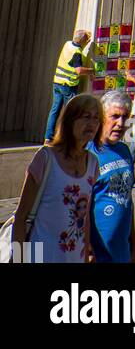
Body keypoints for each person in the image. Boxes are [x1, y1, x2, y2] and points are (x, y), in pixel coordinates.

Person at [12, 92, 100, 264]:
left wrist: (87, 251)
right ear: (70, 120)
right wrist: (19, 259)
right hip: (39, 254)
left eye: (96, 118)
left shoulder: (93, 163)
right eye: (86, 117)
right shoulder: (46, 158)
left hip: (73, 256)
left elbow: (85, 216)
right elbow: (21, 217)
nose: (92, 123)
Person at [88, 88, 135, 263]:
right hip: (96, 254)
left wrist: (134, 247)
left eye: (125, 117)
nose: (120, 123)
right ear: (101, 117)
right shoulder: (88, 153)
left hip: (122, 254)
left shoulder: (125, 151)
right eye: (114, 116)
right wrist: (87, 248)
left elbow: (127, 201)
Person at [44, 28, 93, 143]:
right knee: (71, 113)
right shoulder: (77, 52)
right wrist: (92, 71)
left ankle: (48, 137)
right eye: (87, 40)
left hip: (57, 82)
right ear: (83, 41)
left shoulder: (67, 44)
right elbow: (79, 70)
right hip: (68, 86)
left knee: (55, 110)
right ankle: (67, 138)